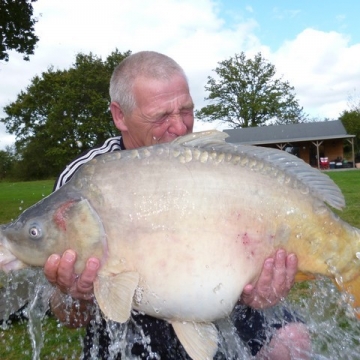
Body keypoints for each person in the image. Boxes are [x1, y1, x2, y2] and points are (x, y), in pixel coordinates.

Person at [44, 51, 311, 359]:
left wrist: (260, 286)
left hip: (208, 296)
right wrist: (76, 294)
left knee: (292, 339)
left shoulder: (211, 166)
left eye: (186, 110)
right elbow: (68, 317)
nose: (180, 128)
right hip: (128, 318)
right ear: (120, 115)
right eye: (160, 117)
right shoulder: (83, 181)